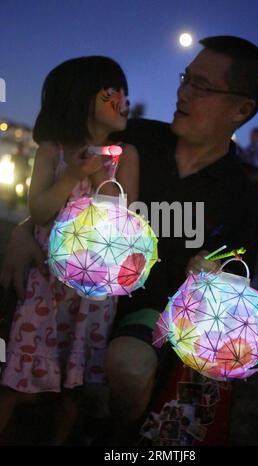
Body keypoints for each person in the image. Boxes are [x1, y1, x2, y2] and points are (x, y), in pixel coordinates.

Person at [0, 35, 258, 445]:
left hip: (145, 314)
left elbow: (236, 276)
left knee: (128, 364)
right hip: (72, 290)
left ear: (241, 109)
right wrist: (24, 230)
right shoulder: (135, 139)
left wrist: (211, 273)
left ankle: (118, 437)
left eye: (201, 86)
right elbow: (63, 182)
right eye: (186, 78)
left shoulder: (240, 196)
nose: (182, 92)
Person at [0, 56, 138, 445]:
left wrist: (95, 175)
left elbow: (126, 221)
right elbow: (40, 210)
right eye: (113, 93)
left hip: (93, 291)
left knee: (73, 386)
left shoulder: (125, 157)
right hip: (44, 283)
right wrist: (72, 176)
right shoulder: (52, 150)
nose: (124, 100)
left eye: (125, 92)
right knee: (18, 369)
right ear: (81, 99)